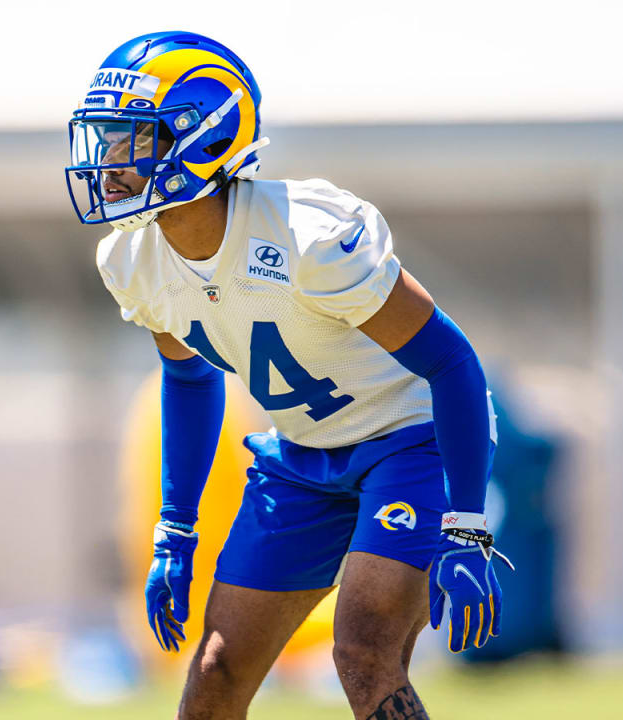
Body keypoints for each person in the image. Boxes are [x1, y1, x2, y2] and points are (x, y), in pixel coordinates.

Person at [65, 31, 512, 720]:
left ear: (202, 137)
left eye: (131, 139)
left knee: (363, 651)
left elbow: (452, 364)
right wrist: (175, 529)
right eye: (107, 140)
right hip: (300, 458)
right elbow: (188, 379)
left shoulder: (307, 237)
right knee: (215, 673)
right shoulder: (133, 260)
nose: (110, 163)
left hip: (407, 444)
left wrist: (467, 523)